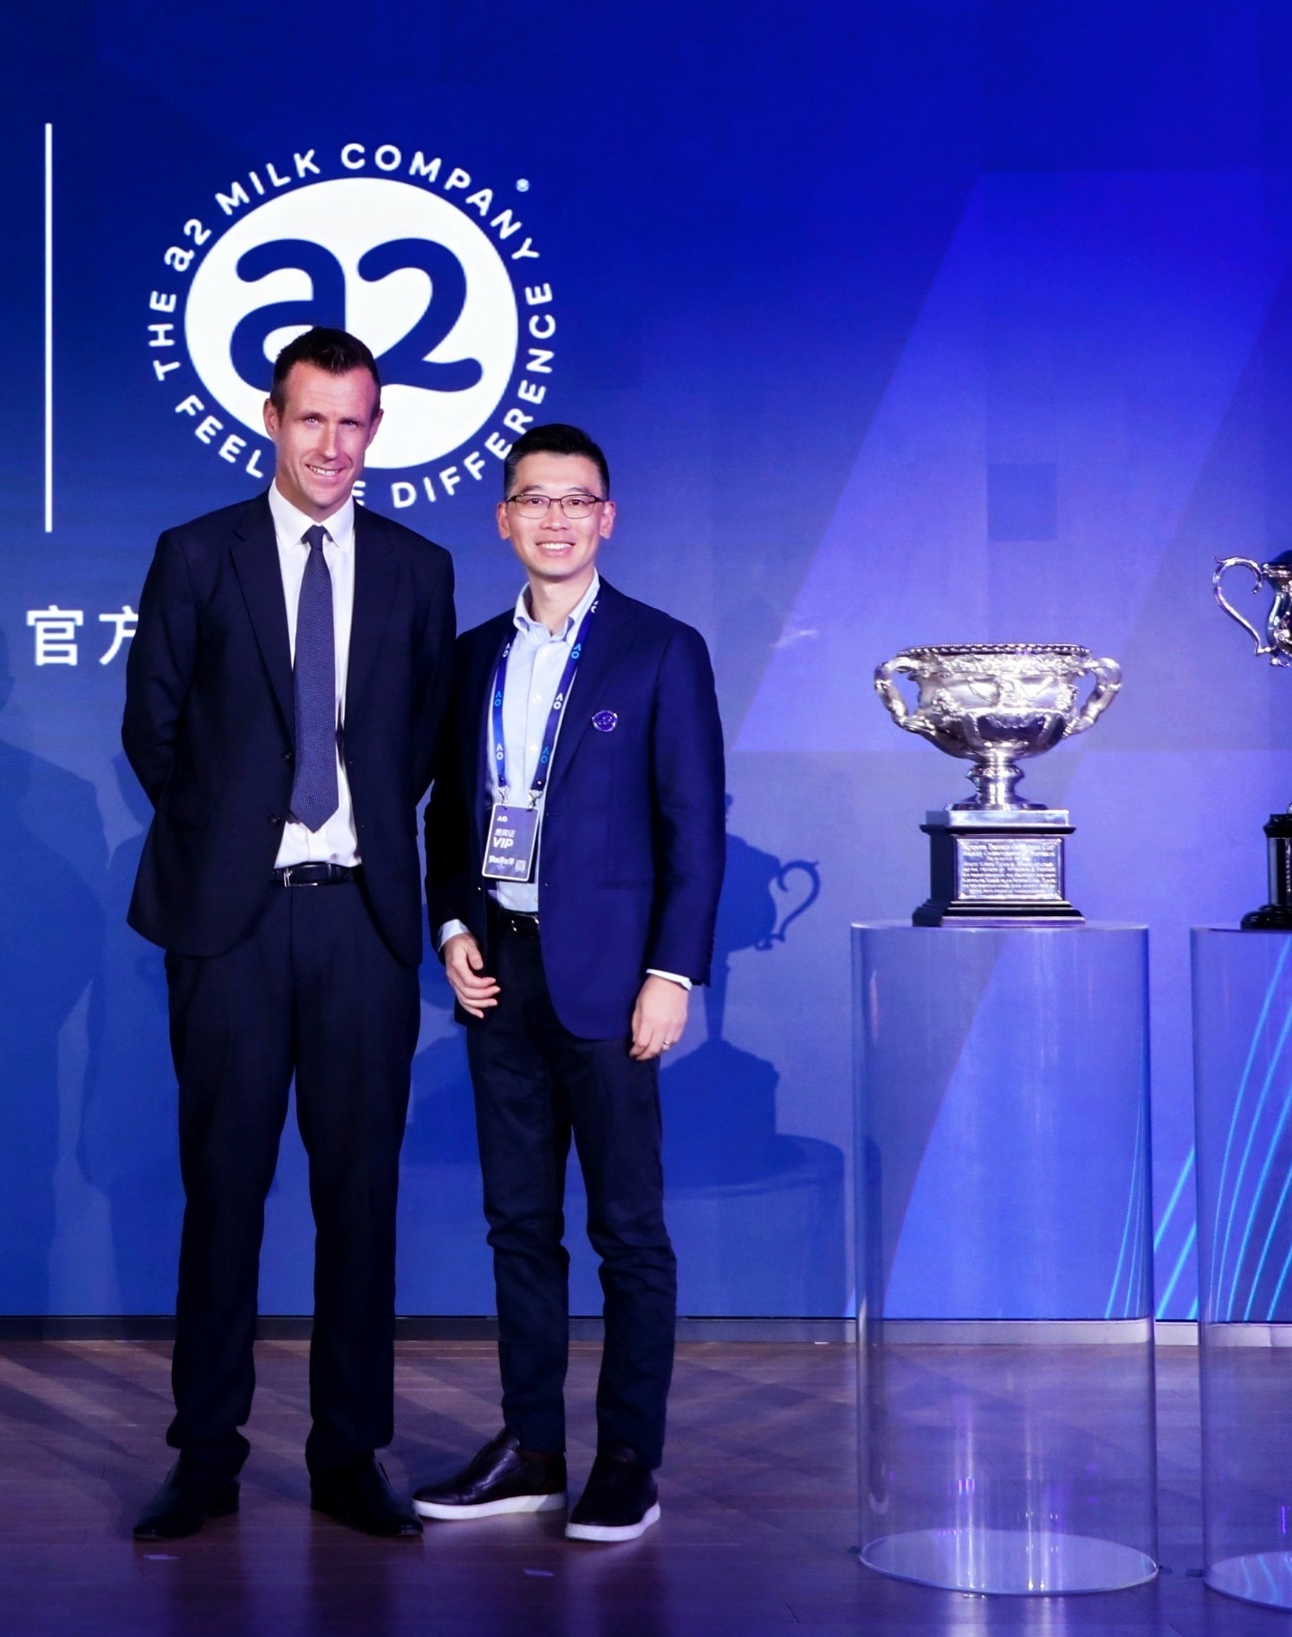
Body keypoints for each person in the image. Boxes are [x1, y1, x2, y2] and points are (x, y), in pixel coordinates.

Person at [122, 327, 458, 1541]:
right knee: (223, 1192)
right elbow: (151, 730)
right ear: (271, 420)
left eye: (351, 422)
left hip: (361, 921)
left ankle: (347, 1452)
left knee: (359, 1198)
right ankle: (205, 1454)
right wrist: (234, 843)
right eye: (310, 418)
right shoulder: (195, 552)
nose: (330, 444)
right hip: (233, 923)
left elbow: (420, 742)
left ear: (375, 430)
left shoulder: (417, 568)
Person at [413, 423, 726, 1543]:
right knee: (517, 1225)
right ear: (502, 518)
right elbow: (447, 814)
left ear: (607, 517)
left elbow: (694, 827)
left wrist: (670, 973)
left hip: (611, 982)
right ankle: (531, 1449)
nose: (554, 518)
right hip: (499, 974)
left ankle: (627, 1459)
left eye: (575, 499)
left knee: (627, 1231)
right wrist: (452, 924)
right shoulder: (467, 658)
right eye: (533, 499)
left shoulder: (659, 649)